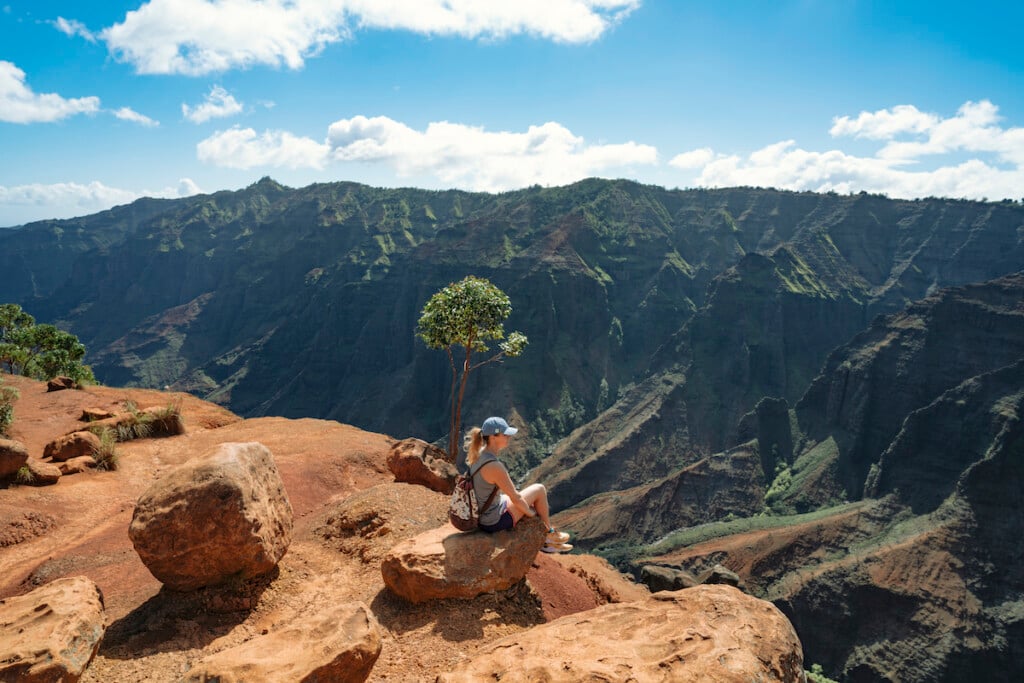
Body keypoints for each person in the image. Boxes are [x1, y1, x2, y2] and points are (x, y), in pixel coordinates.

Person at [465, 416, 572, 553]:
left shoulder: (479, 454)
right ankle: (548, 536)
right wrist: (532, 515)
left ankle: (548, 538)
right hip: (492, 521)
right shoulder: (494, 466)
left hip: (482, 513)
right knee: (539, 489)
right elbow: (516, 498)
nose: (509, 437)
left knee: (524, 497)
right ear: (493, 437)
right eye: (505, 434)